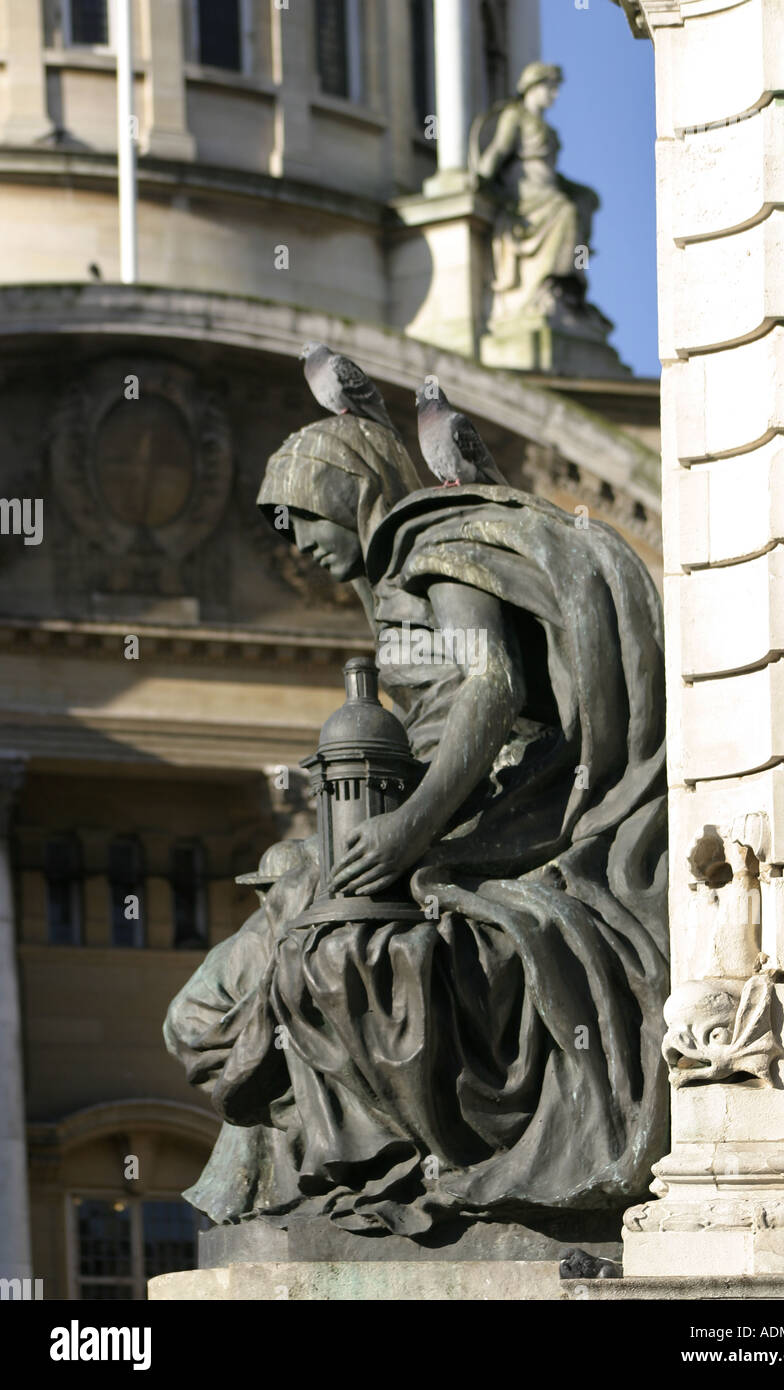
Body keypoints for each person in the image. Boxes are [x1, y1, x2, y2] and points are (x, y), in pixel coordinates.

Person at [165, 413, 669, 1239]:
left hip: (499, 815)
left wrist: (407, 829)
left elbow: (489, 687)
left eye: (303, 519)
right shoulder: (397, 582)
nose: (297, 548)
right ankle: (311, 1156)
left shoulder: (436, 553)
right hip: (442, 811)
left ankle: (382, 1163)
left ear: (351, 490)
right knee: (242, 955)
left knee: (318, 936)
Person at [472, 60, 599, 321]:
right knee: (565, 211)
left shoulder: (548, 128)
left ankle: (567, 282)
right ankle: (552, 282)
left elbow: (551, 170)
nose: (555, 94)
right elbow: (500, 148)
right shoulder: (515, 117)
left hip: (548, 187)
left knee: (583, 201)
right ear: (532, 87)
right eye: (550, 88)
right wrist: (481, 174)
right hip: (528, 192)